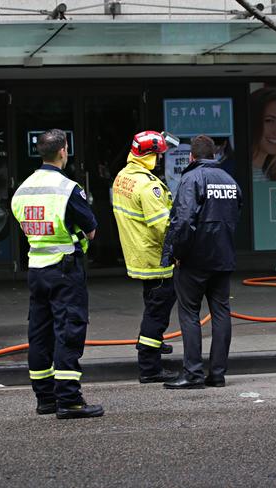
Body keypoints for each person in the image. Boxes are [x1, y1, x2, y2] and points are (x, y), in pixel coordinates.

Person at [11, 128, 103, 420]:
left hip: (36, 269)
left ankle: (45, 399)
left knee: (39, 333)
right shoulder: (67, 188)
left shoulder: (23, 189)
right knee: (69, 331)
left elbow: (24, 223)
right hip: (64, 268)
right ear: (64, 150)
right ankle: (69, 400)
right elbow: (90, 229)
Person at [162, 134, 243, 389]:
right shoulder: (230, 180)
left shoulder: (191, 178)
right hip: (223, 257)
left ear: (191, 157)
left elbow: (183, 220)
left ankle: (193, 373)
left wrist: (176, 253)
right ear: (214, 155)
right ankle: (217, 374)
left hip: (195, 259)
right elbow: (235, 214)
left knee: (189, 314)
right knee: (221, 313)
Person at [112, 130, 179, 384]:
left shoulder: (123, 177)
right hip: (156, 259)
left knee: (152, 303)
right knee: (157, 313)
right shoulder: (148, 186)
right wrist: (181, 250)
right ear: (150, 156)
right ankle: (150, 366)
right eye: (158, 155)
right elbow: (163, 227)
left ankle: (153, 343)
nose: (161, 159)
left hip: (138, 255)